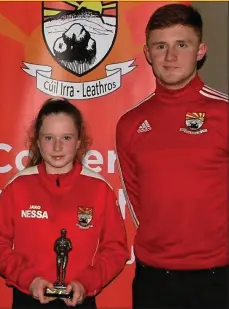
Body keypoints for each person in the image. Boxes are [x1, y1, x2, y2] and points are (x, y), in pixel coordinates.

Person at [115, 4, 228, 309]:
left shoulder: (225, 113)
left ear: (200, 50)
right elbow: (138, 201)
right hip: (154, 279)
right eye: (160, 46)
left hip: (218, 278)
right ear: (147, 53)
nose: (170, 56)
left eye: (182, 44)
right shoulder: (129, 124)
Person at [0, 98, 129, 309]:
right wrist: (28, 279)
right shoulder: (19, 186)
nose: (57, 146)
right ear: (38, 141)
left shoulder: (99, 188)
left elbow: (116, 249)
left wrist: (86, 283)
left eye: (66, 137)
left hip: (80, 300)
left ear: (79, 141)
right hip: (29, 298)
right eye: (49, 137)